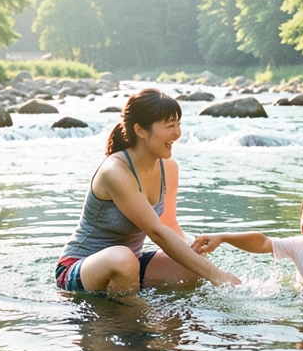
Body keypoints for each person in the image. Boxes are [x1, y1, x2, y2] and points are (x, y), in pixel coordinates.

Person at [56, 88, 240, 296]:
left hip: (132, 264)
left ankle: (166, 310)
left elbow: (169, 225)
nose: (178, 134)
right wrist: (217, 275)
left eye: (178, 124)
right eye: (170, 126)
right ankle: (136, 312)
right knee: (122, 258)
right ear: (141, 131)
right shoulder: (115, 172)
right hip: (79, 268)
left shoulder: (168, 168)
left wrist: (197, 253)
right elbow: (157, 232)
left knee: (192, 264)